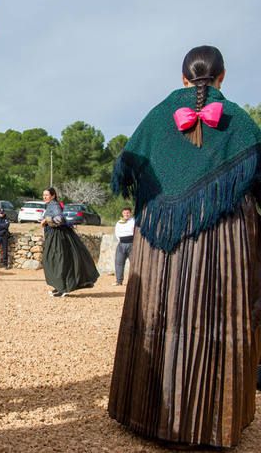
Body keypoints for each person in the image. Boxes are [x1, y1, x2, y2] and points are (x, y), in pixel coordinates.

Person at [108, 46, 261, 448]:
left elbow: (127, 168)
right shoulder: (242, 124)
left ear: (182, 78)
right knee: (216, 315)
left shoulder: (157, 118)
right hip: (219, 240)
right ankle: (210, 425)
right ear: (222, 77)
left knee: (158, 312)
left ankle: (143, 414)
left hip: (158, 247)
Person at [41, 187, 99, 297]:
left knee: (58, 260)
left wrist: (46, 220)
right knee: (54, 261)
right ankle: (59, 286)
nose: (44, 197)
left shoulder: (54, 205)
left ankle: (62, 288)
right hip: (54, 235)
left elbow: (60, 219)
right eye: (44, 195)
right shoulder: (51, 205)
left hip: (57, 236)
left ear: (53, 196)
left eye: (47, 195)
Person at [112, 207, 134, 286]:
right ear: (122, 213)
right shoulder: (119, 222)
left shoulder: (134, 221)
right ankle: (119, 281)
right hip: (121, 244)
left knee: (134, 263)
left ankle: (134, 281)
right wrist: (121, 241)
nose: (126, 214)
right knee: (119, 262)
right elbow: (117, 233)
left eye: (128, 213)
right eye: (125, 213)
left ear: (130, 213)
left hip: (132, 244)